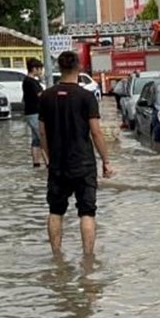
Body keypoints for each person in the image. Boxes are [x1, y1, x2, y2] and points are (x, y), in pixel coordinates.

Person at [39, 51, 114, 259]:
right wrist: (106, 161)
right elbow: (96, 132)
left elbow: (42, 132)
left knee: (56, 211)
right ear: (79, 68)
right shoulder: (86, 97)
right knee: (87, 212)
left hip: (58, 163)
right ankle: (88, 259)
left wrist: (48, 157)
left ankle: (56, 257)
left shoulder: (46, 96)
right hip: (83, 163)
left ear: (59, 69)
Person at [22, 59, 45, 167]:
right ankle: (49, 163)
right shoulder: (31, 82)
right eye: (40, 69)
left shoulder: (27, 81)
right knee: (42, 138)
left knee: (36, 139)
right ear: (34, 69)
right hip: (35, 113)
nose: (41, 71)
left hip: (31, 113)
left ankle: (36, 163)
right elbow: (41, 96)